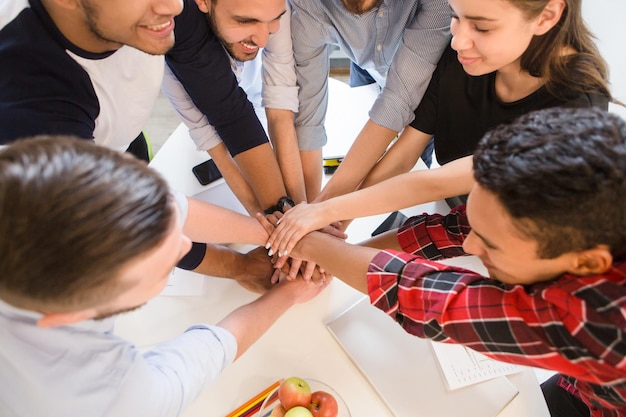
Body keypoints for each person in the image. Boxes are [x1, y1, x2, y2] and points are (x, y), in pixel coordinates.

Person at [261, 107, 626, 417]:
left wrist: (310, 245)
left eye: (491, 244)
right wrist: (339, 247)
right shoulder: (579, 212)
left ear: (588, 263)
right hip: (587, 386)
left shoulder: (602, 321)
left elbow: (433, 300)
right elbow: (448, 231)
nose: (469, 243)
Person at [0, 136, 326, 417]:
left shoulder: (23, 183)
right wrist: (287, 294)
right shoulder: (99, 399)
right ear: (71, 315)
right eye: (161, 265)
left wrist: (273, 234)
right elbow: (192, 364)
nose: (186, 244)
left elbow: (170, 209)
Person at [265, 0, 615, 257]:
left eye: (481, 27)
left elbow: (439, 179)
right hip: (453, 214)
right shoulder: (464, 57)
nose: (459, 39)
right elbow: (403, 156)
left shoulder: (577, 106)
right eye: (456, 16)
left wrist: (326, 213)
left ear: (548, 15)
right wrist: (335, 223)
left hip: (509, 247)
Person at [0, 0, 293, 288]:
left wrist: (282, 211)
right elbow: (122, 214)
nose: (175, 6)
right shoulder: (32, 95)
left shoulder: (164, 8)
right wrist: (242, 262)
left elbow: (228, 111)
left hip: (119, 139)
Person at [290, 0, 451, 200]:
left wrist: (329, 211)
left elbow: (398, 103)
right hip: (367, 68)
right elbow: (308, 120)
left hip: (426, 82)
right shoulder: (306, 5)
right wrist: (309, 207)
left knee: (409, 173)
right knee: (358, 138)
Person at [162, 0, 308, 210]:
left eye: (274, 20)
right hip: (218, 116)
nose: (263, 39)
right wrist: (269, 216)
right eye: (245, 21)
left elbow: (281, 110)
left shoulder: (271, 7)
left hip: (254, 99)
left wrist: (302, 210)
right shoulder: (179, 39)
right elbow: (219, 140)